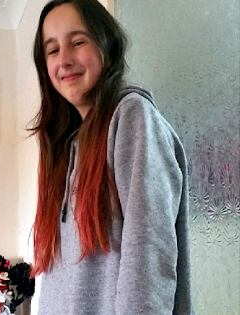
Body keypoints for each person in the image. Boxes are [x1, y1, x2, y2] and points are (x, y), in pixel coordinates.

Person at [29, 1, 193, 314]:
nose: (64, 60)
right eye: (52, 50)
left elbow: (147, 259)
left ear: (107, 44)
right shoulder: (66, 144)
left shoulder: (132, 117)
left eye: (78, 42)